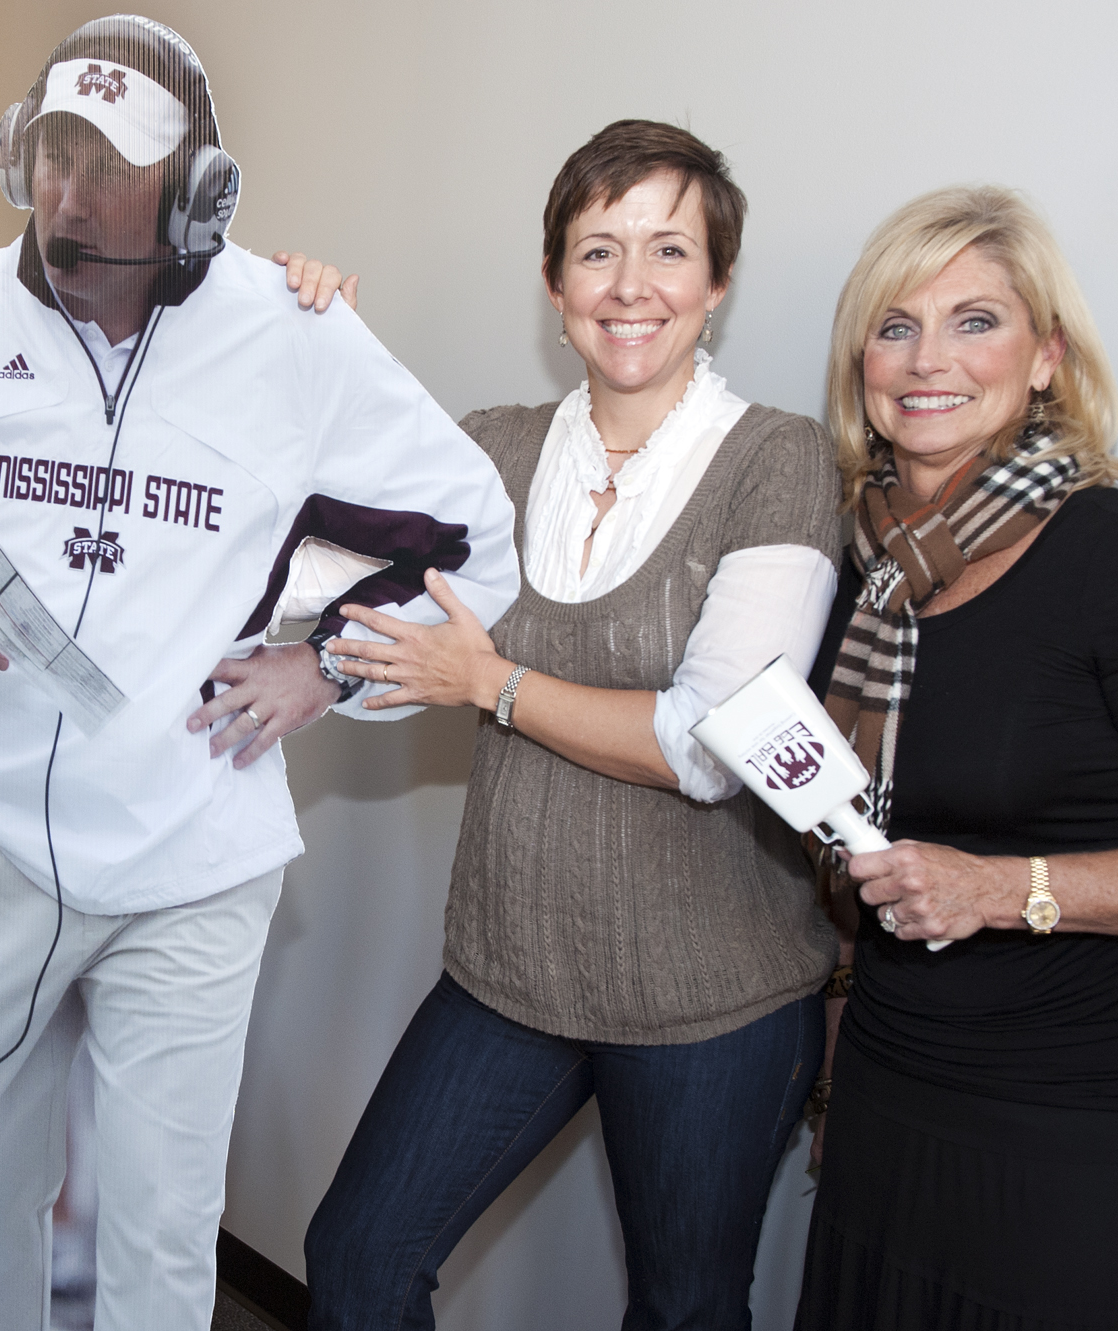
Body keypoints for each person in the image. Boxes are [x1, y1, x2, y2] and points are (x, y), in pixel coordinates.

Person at [0, 15, 520, 1329]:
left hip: (197, 851)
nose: (70, 199)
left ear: (198, 192)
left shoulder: (291, 332)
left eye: (110, 166)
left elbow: (467, 538)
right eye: (52, 157)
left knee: (155, 1221)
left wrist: (326, 667)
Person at [300, 120, 841, 1330]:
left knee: (684, 1308)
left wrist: (488, 681)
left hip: (716, 1000)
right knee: (357, 1255)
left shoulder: (776, 459)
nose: (630, 286)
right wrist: (298, 331)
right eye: (596, 252)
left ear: (715, 282)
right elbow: (305, 541)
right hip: (510, 974)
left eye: (667, 250)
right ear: (554, 288)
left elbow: (710, 744)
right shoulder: (487, 447)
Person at [792, 185, 1118, 1328]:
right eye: (894, 324)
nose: (928, 360)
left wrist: (1000, 888)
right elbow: (845, 851)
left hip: (1101, 1112)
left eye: (975, 321)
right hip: (896, 1079)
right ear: (858, 359)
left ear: (1044, 360)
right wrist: (830, 1069)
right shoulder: (852, 570)